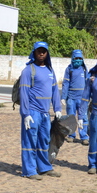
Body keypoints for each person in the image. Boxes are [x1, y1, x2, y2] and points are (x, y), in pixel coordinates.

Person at [19, 41, 62, 180]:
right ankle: (29, 170)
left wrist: (57, 108)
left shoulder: (50, 70)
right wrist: (25, 114)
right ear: (34, 53)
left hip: (45, 113)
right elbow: (24, 93)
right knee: (30, 141)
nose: (41, 53)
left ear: (47, 53)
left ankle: (44, 167)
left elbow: (55, 90)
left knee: (44, 141)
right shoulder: (28, 70)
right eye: (39, 51)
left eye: (44, 51)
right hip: (32, 112)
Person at [61, 49, 89, 145]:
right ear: (72, 58)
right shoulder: (69, 69)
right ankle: (71, 135)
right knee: (71, 118)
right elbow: (65, 83)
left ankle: (84, 136)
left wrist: (89, 96)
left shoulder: (84, 70)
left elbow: (88, 84)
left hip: (82, 99)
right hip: (71, 98)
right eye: (76, 58)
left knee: (83, 117)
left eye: (80, 58)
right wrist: (63, 97)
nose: (78, 60)